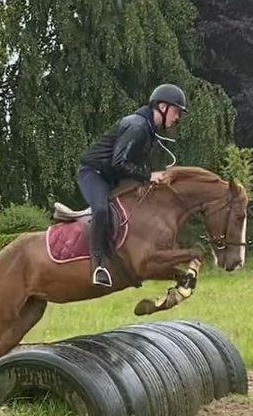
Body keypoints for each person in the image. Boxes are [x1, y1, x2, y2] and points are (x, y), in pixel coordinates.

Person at [76, 83, 188, 287]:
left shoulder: (149, 130)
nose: (177, 117)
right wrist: (148, 176)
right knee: (101, 211)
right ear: (162, 107)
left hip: (111, 177)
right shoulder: (137, 127)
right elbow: (120, 163)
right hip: (93, 174)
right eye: (176, 111)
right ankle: (98, 265)